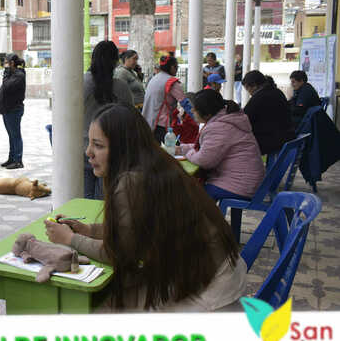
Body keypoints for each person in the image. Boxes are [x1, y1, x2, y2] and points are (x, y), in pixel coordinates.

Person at [44, 103, 246, 312]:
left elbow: (121, 255)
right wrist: (90, 230)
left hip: (209, 294)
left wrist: (70, 239)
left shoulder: (131, 182)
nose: (88, 152)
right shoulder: (157, 163)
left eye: (99, 145)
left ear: (123, 148)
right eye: (90, 143)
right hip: (217, 275)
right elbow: (134, 230)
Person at [178, 90, 265, 202]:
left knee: (193, 196)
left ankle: (203, 219)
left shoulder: (219, 127)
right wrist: (182, 148)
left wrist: (187, 152)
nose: (192, 111)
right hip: (248, 180)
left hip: (240, 185)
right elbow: (206, 147)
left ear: (207, 113)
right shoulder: (226, 119)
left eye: (195, 109)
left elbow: (204, 161)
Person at [83, 40, 134, 200]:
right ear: (115, 61)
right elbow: (130, 119)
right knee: (104, 202)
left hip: (83, 148)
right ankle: (101, 226)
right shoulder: (121, 87)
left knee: (84, 198)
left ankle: (84, 225)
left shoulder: (80, 83)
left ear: (93, 59)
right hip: (111, 151)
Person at [242, 70, 295, 156]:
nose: (249, 93)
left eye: (247, 89)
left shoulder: (259, 97)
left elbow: (244, 119)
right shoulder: (277, 92)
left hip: (272, 141)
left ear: (254, 86)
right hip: (286, 136)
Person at [142, 55, 185, 143]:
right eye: (177, 67)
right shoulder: (171, 82)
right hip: (162, 125)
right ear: (172, 67)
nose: (177, 69)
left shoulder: (154, 79)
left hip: (149, 123)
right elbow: (184, 102)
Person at [0, 53, 26, 169]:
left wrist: (7, 72)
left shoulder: (19, 75)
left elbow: (7, 86)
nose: (5, 64)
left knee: (15, 135)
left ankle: (18, 160)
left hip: (14, 110)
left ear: (12, 63)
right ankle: (12, 158)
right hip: (7, 109)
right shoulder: (13, 74)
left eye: (6, 62)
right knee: (11, 135)